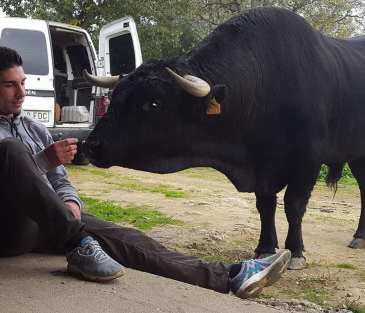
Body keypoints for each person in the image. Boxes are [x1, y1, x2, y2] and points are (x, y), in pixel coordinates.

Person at [0, 45, 291, 298]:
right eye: (10, 85)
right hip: (9, 229)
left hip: (51, 223)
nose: (21, 92)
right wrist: (43, 162)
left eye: (23, 82)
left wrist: (71, 203)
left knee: (128, 239)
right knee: (11, 149)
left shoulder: (35, 129)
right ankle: (77, 243)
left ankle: (231, 275)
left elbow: (60, 180)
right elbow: (18, 174)